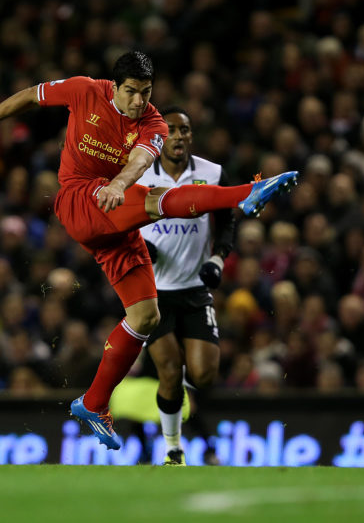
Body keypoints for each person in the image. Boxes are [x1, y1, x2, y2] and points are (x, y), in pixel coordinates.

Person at [0, 51, 297, 449]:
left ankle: (93, 401)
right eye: (132, 92)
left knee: (145, 316)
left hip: (111, 210)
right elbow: (30, 96)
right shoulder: (84, 90)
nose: (140, 101)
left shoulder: (154, 122)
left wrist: (119, 184)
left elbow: (140, 159)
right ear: (115, 86)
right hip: (78, 199)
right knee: (159, 199)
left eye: (147, 92)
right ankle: (246, 193)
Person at [138, 106, 234, 466]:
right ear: (160, 137)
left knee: (204, 374)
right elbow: (118, 221)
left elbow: (226, 223)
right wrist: (138, 249)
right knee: (167, 369)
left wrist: (218, 259)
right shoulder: (139, 173)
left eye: (186, 130)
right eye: (172, 130)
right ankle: (174, 449)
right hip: (153, 292)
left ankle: (180, 397)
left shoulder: (212, 173)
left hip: (194, 288)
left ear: (192, 136)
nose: (179, 136)